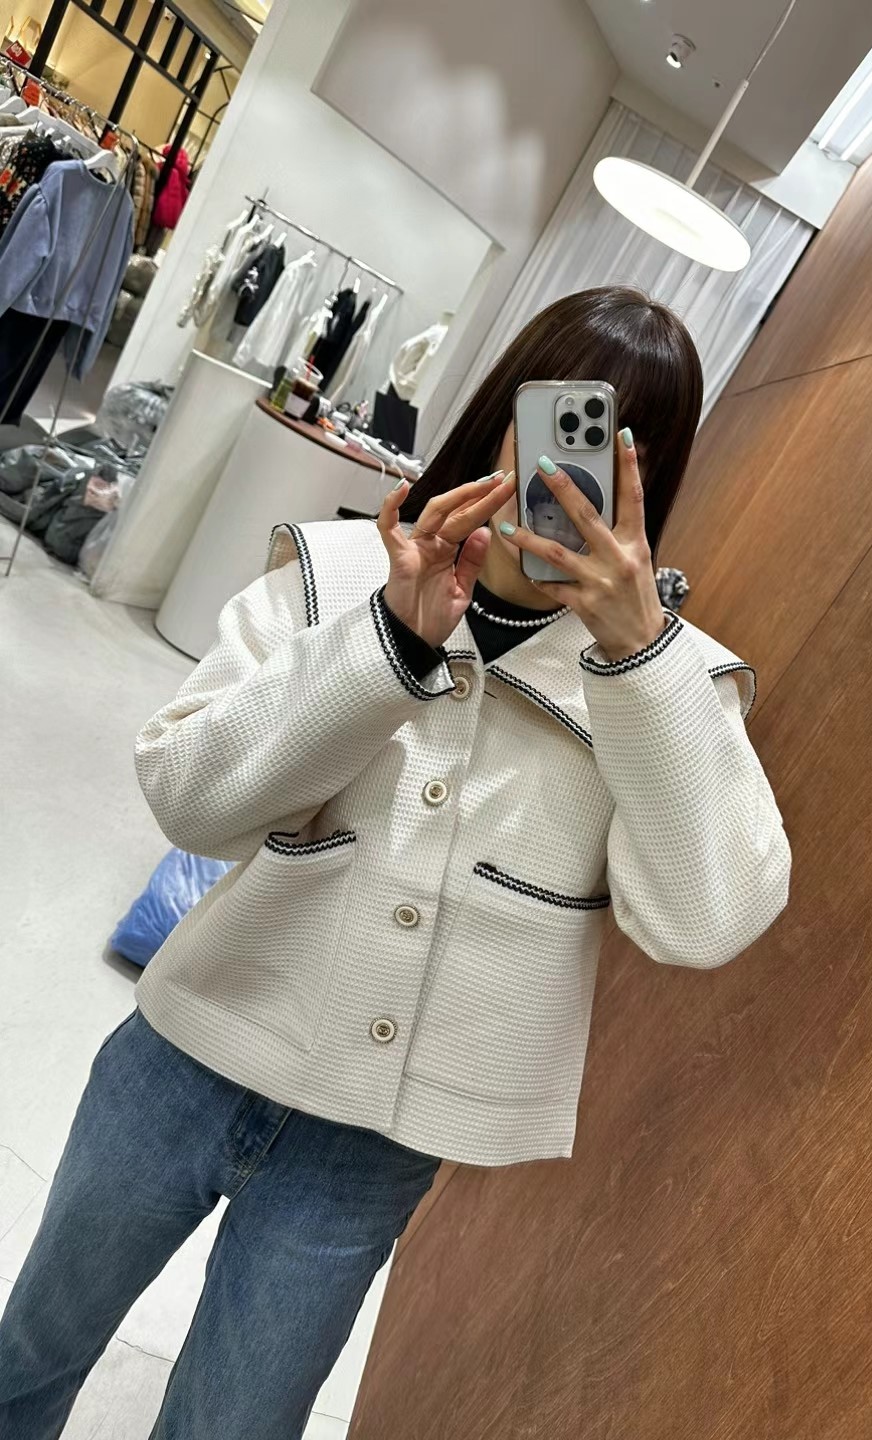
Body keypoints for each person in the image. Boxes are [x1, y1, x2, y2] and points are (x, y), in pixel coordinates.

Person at [0, 286, 791, 1438]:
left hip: (373, 1146)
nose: (563, 476)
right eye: (553, 424)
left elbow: (708, 918)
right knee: (28, 1355)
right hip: (190, 1053)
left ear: (650, 479)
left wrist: (637, 652)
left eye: (614, 449)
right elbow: (188, 796)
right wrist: (387, 643)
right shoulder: (338, 575)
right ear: (500, 418)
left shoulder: (670, 684)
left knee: (234, 1427)